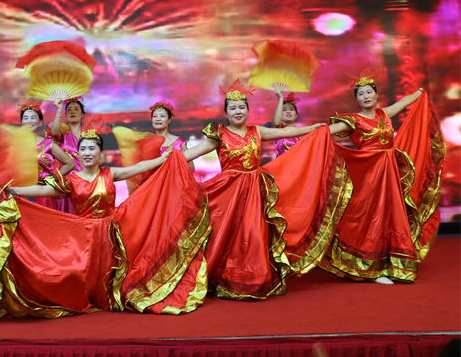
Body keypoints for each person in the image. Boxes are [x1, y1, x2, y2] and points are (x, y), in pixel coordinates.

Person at [3, 129, 212, 316]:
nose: (87, 153)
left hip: (110, 233)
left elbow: (139, 167)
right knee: (77, 275)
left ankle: (111, 295)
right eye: (82, 149)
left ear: (101, 154)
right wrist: (12, 190)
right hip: (83, 236)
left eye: (91, 148)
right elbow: (41, 189)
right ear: (78, 154)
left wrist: (163, 159)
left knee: (112, 274)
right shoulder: (71, 181)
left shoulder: (110, 174)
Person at [183, 80, 349, 300]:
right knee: (225, 235)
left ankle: (252, 279)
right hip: (228, 193)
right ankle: (221, 276)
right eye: (232, 108)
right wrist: (169, 159)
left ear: (248, 110)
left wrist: (313, 129)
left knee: (253, 235)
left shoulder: (257, 131)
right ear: (226, 113)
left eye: (241, 107)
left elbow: (287, 131)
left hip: (254, 191)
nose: (238, 111)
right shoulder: (219, 135)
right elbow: (191, 153)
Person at [322, 73, 444, 284]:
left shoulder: (384, 114)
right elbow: (328, 131)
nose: (366, 96)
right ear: (357, 99)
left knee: (390, 216)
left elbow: (404, 102)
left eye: (369, 92)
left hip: (390, 173)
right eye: (361, 94)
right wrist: (312, 133)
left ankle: (389, 264)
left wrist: (420, 92)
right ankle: (371, 268)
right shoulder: (353, 121)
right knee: (370, 218)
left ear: (376, 95)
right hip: (369, 177)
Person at [19, 99, 75, 211]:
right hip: (21, 191)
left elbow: (70, 164)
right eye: (25, 118)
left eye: (33, 117)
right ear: (21, 123)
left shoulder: (48, 144)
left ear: (40, 122)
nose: (29, 121)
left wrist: (53, 178)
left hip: (43, 193)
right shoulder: (14, 144)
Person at [48, 97, 86, 171]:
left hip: (86, 176)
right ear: (65, 114)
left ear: (82, 114)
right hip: (66, 176)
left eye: (76, 109)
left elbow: (100, 157)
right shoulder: (63, 132)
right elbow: (54, 133)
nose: (72, 112)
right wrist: (59, 109)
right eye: (69, 109)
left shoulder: (89, 134)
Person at [271, 91, 302, 157]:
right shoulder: (278, 131)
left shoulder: (303, 133)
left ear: (296, 115)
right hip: (281, 163)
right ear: (280, 115)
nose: (288, 112)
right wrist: (280, 98)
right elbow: (276, 122)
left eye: (291, 109)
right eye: (284, 110)